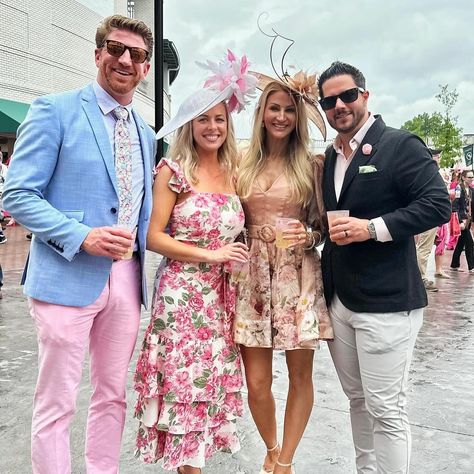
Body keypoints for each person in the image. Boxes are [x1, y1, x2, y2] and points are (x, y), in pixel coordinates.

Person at [3, 14, 155, 473]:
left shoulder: (146, 134)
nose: (125, 59)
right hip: (65, 276)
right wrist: (81, 236)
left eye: (136, 54)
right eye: (115, 49)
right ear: (97, 54)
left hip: (127, 280)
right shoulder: (55, 109)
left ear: (146, 68)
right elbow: (17, 194)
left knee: (112, 395)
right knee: (57, 401)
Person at [317, 61, 451, 473]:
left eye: (347, 95)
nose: (339, 105)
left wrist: (372, 228)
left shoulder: (399, 144)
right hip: (341, 298)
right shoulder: (330, 156)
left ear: (365, 95)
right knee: (357, 402)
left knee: (386, 409)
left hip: (388, 301)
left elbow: (437, 205)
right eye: (329, 100)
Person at [133, 51, 256, 474]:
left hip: (222, 300)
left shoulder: (235, 171)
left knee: (207, 388)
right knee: (185, 386)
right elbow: (152, 237)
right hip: (182, 298)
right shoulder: (174, 169)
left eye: (220, 119)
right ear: (190, 124)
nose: (212, 127)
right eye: (204, 119)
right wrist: (212, 254)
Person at [234, 75, 333, 474]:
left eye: (289, 109)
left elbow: (325, 226)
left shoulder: (313, 164)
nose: (281, 116)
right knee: (256, 383)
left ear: (300, 115)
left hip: (298, 275)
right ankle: (272, 446)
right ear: (261, 113)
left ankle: (285, 463)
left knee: (298, 376)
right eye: (274, 108)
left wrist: (308, 235)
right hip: (251, 275)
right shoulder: (240, 161)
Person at [415, 149, 445, 292]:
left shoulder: (422, 170)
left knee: (422, 247)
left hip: (426, 215)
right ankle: (419, 278)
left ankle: (418, 277)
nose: (438, 158)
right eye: (436, 155)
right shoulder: (427, 171)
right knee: (424, 248)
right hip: (427, 215)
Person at [449, 170, 474, 273]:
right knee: (470, 242)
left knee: (461, 242)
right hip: (462, 219)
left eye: (472, 177)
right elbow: (455, 206)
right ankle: (472, 267)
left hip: (468, 219)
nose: (471, 179)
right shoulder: (459, 188)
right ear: (463, 178)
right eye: (469, 177)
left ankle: (454, 264)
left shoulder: (471, 190)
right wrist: (459, 221)